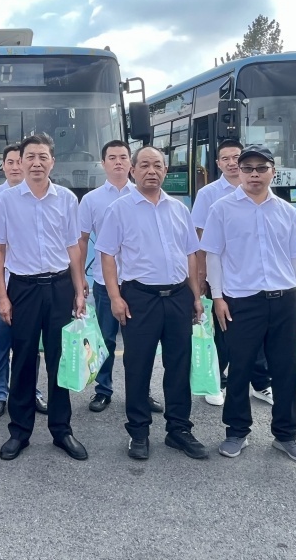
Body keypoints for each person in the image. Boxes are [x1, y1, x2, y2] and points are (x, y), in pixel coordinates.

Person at [200, 144, 296, 464]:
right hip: (241, 301)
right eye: (248, 168)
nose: (254, 174)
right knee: (240, 368)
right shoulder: (222, 209)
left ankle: (286, 435)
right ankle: (236, 431)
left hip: (285, 301)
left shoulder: (287, 212)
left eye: (261, 168)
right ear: (239, 171)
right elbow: (213, 256)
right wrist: (218, 297)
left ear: (272, 172)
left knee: (284, 369)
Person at [96, 145, 207, 461]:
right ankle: (139, 432)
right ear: (133, 170)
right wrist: (115, 297)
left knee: (179, 365)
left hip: (178, 297)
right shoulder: (119, 209)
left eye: (157, 165)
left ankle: (179, 430)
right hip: (139, 298)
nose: (151, 171)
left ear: (166, 171)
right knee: (138, 366)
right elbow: (107, 255)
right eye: (144, 165)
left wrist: (195, 296)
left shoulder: (179, 209)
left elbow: (190, 254)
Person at [0, 133, 89, 462]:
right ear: (20, 161)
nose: (36, 163)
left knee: (61, 359)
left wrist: (79, 290)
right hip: (24, 289)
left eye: (42, 157)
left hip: (59, 287)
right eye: (30, 157)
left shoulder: (66, 199)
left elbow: (73, 249)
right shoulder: (5, 201)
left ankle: (62, 430)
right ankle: (19, 431)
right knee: (24, 359)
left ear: (52, 162)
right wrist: (2, 296)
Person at [78, 140, 164, 415]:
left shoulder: (147, 194)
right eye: (112, 157)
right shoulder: (91, 200)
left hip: (140, 285)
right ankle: (103, 390)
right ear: (103, 163)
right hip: (106, 283)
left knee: (142, 343)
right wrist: (79, 278)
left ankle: (142, 392)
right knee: (106, 339)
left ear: (131, 164)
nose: (118, 162)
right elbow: (81, 240)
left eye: (123, 157)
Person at [190, 139, 272, 408]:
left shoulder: (262, 189)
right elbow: (200, 237)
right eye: (225, 158)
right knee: (222, 331)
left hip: (255, 276)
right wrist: (201, 274)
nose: (231, 163)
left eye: (235, 157)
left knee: (259, 333)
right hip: (222, 275)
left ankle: (261, 383)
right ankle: (217, 381)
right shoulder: (209, 194)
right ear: (218, 164)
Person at [0, 144, 47, 418]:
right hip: (1, 284)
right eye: (10, 162)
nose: (16, 166)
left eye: (20, 161)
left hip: (33, 286)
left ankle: (30, 391)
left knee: (30, 344)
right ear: (3, 166)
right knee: (0, 341)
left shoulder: (39, 196)